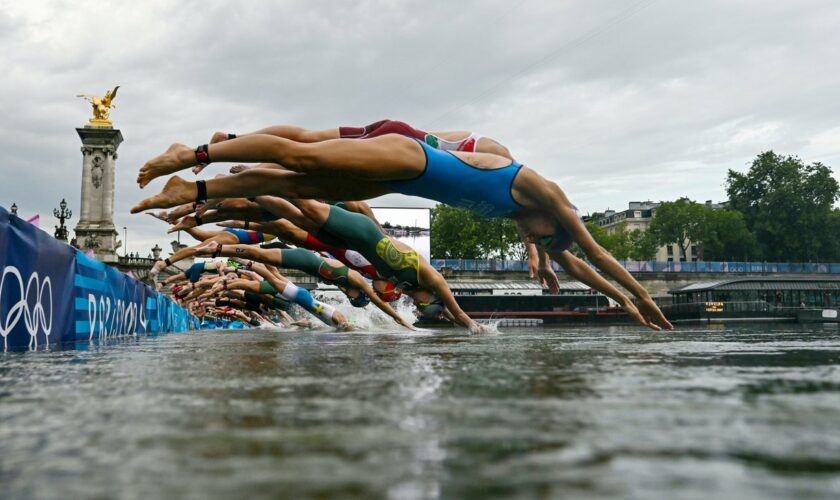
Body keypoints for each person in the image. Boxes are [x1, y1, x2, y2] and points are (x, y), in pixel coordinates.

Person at [133, 130, 673, 331]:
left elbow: (580, 267)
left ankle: (196, 192)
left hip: (400, 179)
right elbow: (597, 254)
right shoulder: (544, 194)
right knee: (299, 159)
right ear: (557, 220)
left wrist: (623, 306)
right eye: (547, 243)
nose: (544, 248)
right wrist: (643, 294)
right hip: (410, 153)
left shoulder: (530, 223)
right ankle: (197, 155)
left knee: (299, 179)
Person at [192, 240, 415, 330]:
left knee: (271, 275)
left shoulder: (348, 286)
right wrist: (400, 320)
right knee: (268, 269)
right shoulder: (356, 280)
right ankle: (226, 252)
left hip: (309, 275)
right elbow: (376, 301)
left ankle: (233, 260)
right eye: (352, 297)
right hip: (308, 262)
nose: (349, 297)